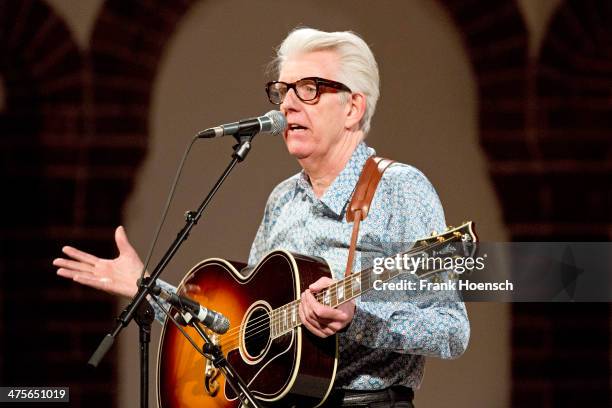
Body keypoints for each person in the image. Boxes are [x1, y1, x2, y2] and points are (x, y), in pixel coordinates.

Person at [54, 27, 469, 407]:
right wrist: (148, 289)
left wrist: (357, 320)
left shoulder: (400, 189)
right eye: (283, 90)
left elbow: (452, 331)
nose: (288, 103)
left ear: (353, 108)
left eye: (308, 89)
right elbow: (236, 329)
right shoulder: (283, 199)